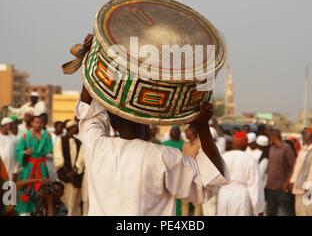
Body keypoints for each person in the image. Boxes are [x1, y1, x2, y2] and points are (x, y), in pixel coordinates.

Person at [76, 85, 228, 216]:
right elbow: (209, 180)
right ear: (148, 122)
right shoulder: (162, 156)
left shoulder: (96, 146)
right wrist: (202, 126)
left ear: (113, 125)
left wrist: (90, 63)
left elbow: (86, 112)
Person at [217, 131, 265, 216]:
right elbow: (255, 186)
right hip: (241, 198)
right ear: (246, 144)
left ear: (233, 143)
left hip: (224, 195)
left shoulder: (223, 157)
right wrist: (259, 209)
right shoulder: (250, 159)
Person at [15, 115, 53, 216]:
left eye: (40, 122)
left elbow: (50, 149)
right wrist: (25, 152)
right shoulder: (26, 135)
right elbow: (18, 151)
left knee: (44, 188)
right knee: (27, 188)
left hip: (42, 165)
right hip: (30, 166)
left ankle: (41, 211)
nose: (38, 124)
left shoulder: (46, 136)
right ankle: (25, 212)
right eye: (36, 122)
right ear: (31, 123)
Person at [290, 127, 312, 216]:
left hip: (309, 189)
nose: (303, 137)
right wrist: (292, 181)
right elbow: (297, 167)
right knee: (300, 212)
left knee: (310, 213)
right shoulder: (302, 150)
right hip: (298, 187)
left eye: (304, 134)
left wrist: (309, 186)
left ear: (311, 136)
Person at [54, 120, 82, 216]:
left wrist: (75, 171)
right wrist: (67, 173)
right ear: (70, 128)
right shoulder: (60, 140)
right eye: (75, 127)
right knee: (65, 199)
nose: (77, 129)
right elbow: (58, 158)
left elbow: (80, 159)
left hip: (75, 176)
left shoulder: (78, 142)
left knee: (74, 202)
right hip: (65, 176)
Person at [265, 129, 296, 216]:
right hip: (270, 188)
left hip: (282, 188)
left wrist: (287, 182)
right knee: (270, 212)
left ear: (273, 137)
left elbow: (293, 167)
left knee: (287, 212)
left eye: (269, 137)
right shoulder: (271, 149)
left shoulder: (287, 148)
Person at [181, 124, 202, 216]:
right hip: (186, 175)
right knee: (185, 200)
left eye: (187, 132)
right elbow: (183, 159)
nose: (185, 133)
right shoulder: (185, 144)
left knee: (198, 201)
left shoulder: (200, 143)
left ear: (193, 132)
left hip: (198, 174)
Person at [0, 117, 18, 182]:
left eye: (12, 124)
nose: (12, 126)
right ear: (4, 125)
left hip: (10, 166)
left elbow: (16, 154)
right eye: (10, 124)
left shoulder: (14, 138)